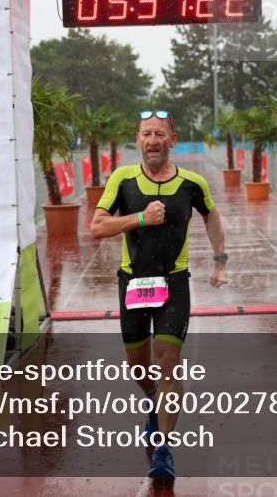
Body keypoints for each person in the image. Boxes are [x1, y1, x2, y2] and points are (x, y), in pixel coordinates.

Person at [90, 110, 228, 481]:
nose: (153, 140)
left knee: (169, 362)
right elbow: (97, 227)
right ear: (138, 140)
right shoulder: (122, 179)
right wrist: (140, 218)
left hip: (174, 283)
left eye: (160, 134)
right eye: (146, 134)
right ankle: (154, 400)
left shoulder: (192, 183)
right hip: (133, 282)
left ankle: (164, 449)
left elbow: (211, 216)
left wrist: (220, 261)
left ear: (172, 140)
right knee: (138, 367)